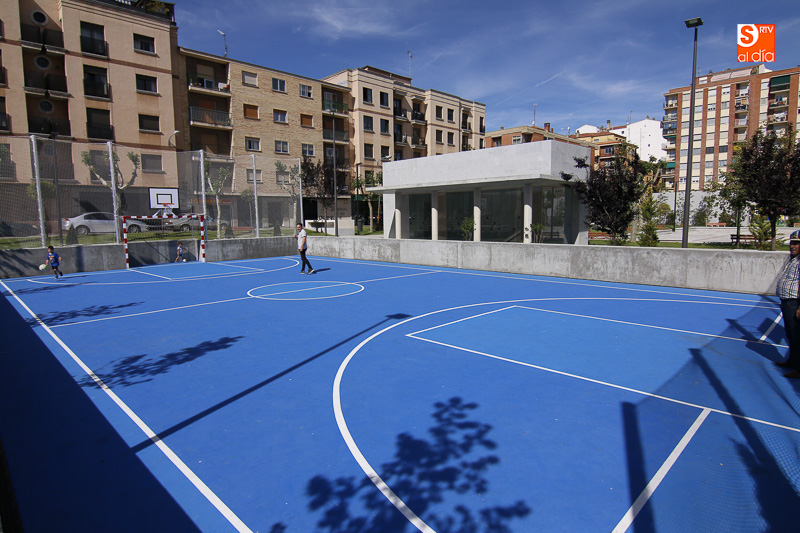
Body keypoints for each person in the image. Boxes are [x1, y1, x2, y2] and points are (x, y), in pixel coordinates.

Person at [776, 230, 800, 378]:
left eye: (797, 243)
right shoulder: (793, 260)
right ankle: (792, 362)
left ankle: (798, 369)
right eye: (792, 243)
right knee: (791, 335)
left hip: (794, 302)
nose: (793, 246)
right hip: (787, 302)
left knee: (797, 337)